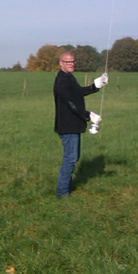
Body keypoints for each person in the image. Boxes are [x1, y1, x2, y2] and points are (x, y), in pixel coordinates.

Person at [53, 51, 108, 198]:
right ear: (61, 63)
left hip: (73, 125)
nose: (71, 65)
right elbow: (72, 105)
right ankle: (63, 192)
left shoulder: (69, 78)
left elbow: (78, 93)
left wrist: (96, 85)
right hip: (67, 126)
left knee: (73, 158)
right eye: (68, 62)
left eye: (73, 62)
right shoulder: (61, 82)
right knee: (70, 159)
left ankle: (65, 189)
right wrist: (88, 115)